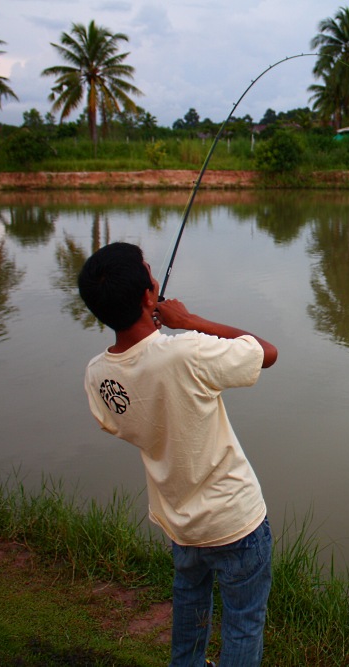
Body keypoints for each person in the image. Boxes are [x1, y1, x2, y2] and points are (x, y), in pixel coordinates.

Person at [77, 242, 278, 667]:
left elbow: (117, 422)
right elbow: (267, 353)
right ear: (149, 296)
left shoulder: (98, 375)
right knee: (243, 624)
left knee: (189, 617)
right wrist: (187, 321)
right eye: (151, 275)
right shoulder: (184, 351)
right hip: (235, 520)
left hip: (180, 523)